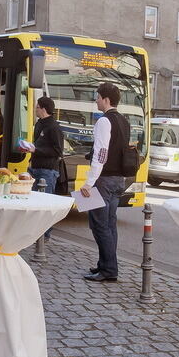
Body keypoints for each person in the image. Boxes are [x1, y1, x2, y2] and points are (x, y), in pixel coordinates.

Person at [79, 82, 131, 282]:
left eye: (98, 97)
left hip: (103, 179)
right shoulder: (123, 121)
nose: (96, 100)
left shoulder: (103, 121)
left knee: (99, 225)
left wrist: (89, 182)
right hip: (118, 180)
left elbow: (101, 153)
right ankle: (105, 265)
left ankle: (109, 270)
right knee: (110, 225)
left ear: (106, 99)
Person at [27, 96, 64, 195]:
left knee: (44, 200)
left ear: (43, 109)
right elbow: (39, 143)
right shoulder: (39, 124)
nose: (35, 109)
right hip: (34, 168)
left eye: (37, 107)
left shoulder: (54, 127)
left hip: (47, 171)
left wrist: (36, 150)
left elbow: (58, 151)